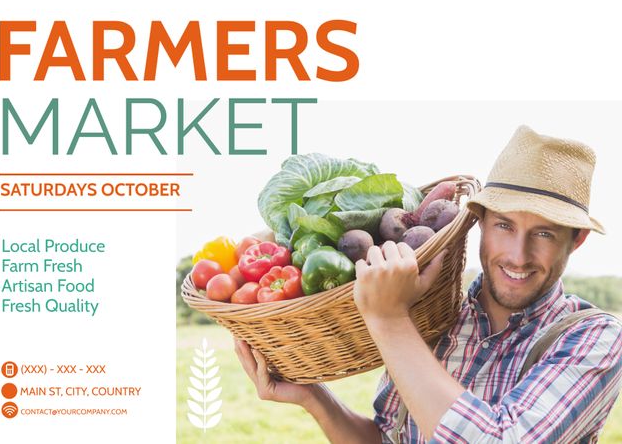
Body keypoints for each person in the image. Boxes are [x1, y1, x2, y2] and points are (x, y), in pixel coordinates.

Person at [234, 125, 622, 443]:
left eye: (544, 234)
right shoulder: (434, 316)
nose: (518, 255)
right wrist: (314, 396)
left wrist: (388, 320)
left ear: (576, 240)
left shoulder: (594, 338)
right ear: (479, 221)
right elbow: (388, 439)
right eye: (504, 226)